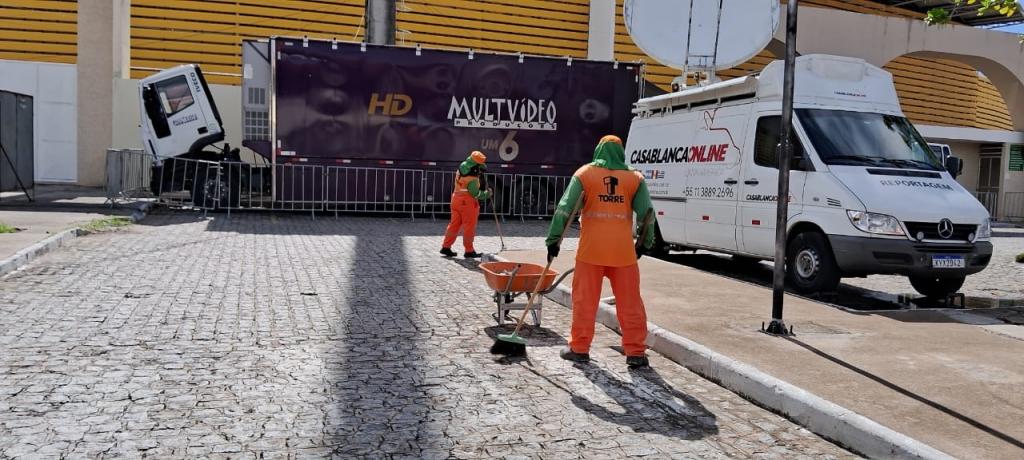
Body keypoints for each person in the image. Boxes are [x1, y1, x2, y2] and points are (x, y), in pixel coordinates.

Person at [545, 135, 656, 369]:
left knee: (584, 301)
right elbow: (647, 215)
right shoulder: (635, 178)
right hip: (623, 253)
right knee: (630, 304)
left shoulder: (585, 174)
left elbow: (565, 209)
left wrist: (553, 240)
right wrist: (644, 244)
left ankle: (579, 348)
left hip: (591, 252)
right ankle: (636, 352)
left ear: (598, 151)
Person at [441, 151, 491, 258]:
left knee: (454, 225)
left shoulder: (462, 166)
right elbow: (475, 193)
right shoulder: (472, 178)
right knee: (469, 227)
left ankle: (446, 246)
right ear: (477, 165)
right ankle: (469, 251)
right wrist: (487, 194)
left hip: (456, 198)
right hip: (467, 203)